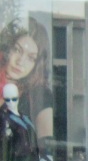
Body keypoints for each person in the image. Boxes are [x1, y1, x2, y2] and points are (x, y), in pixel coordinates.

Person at [0, 19, 53, 148]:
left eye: (31, 58)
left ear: (37, 64)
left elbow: (46, 145)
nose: (20, 61)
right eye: (17, 50)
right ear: (8, 50)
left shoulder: (38, 94)